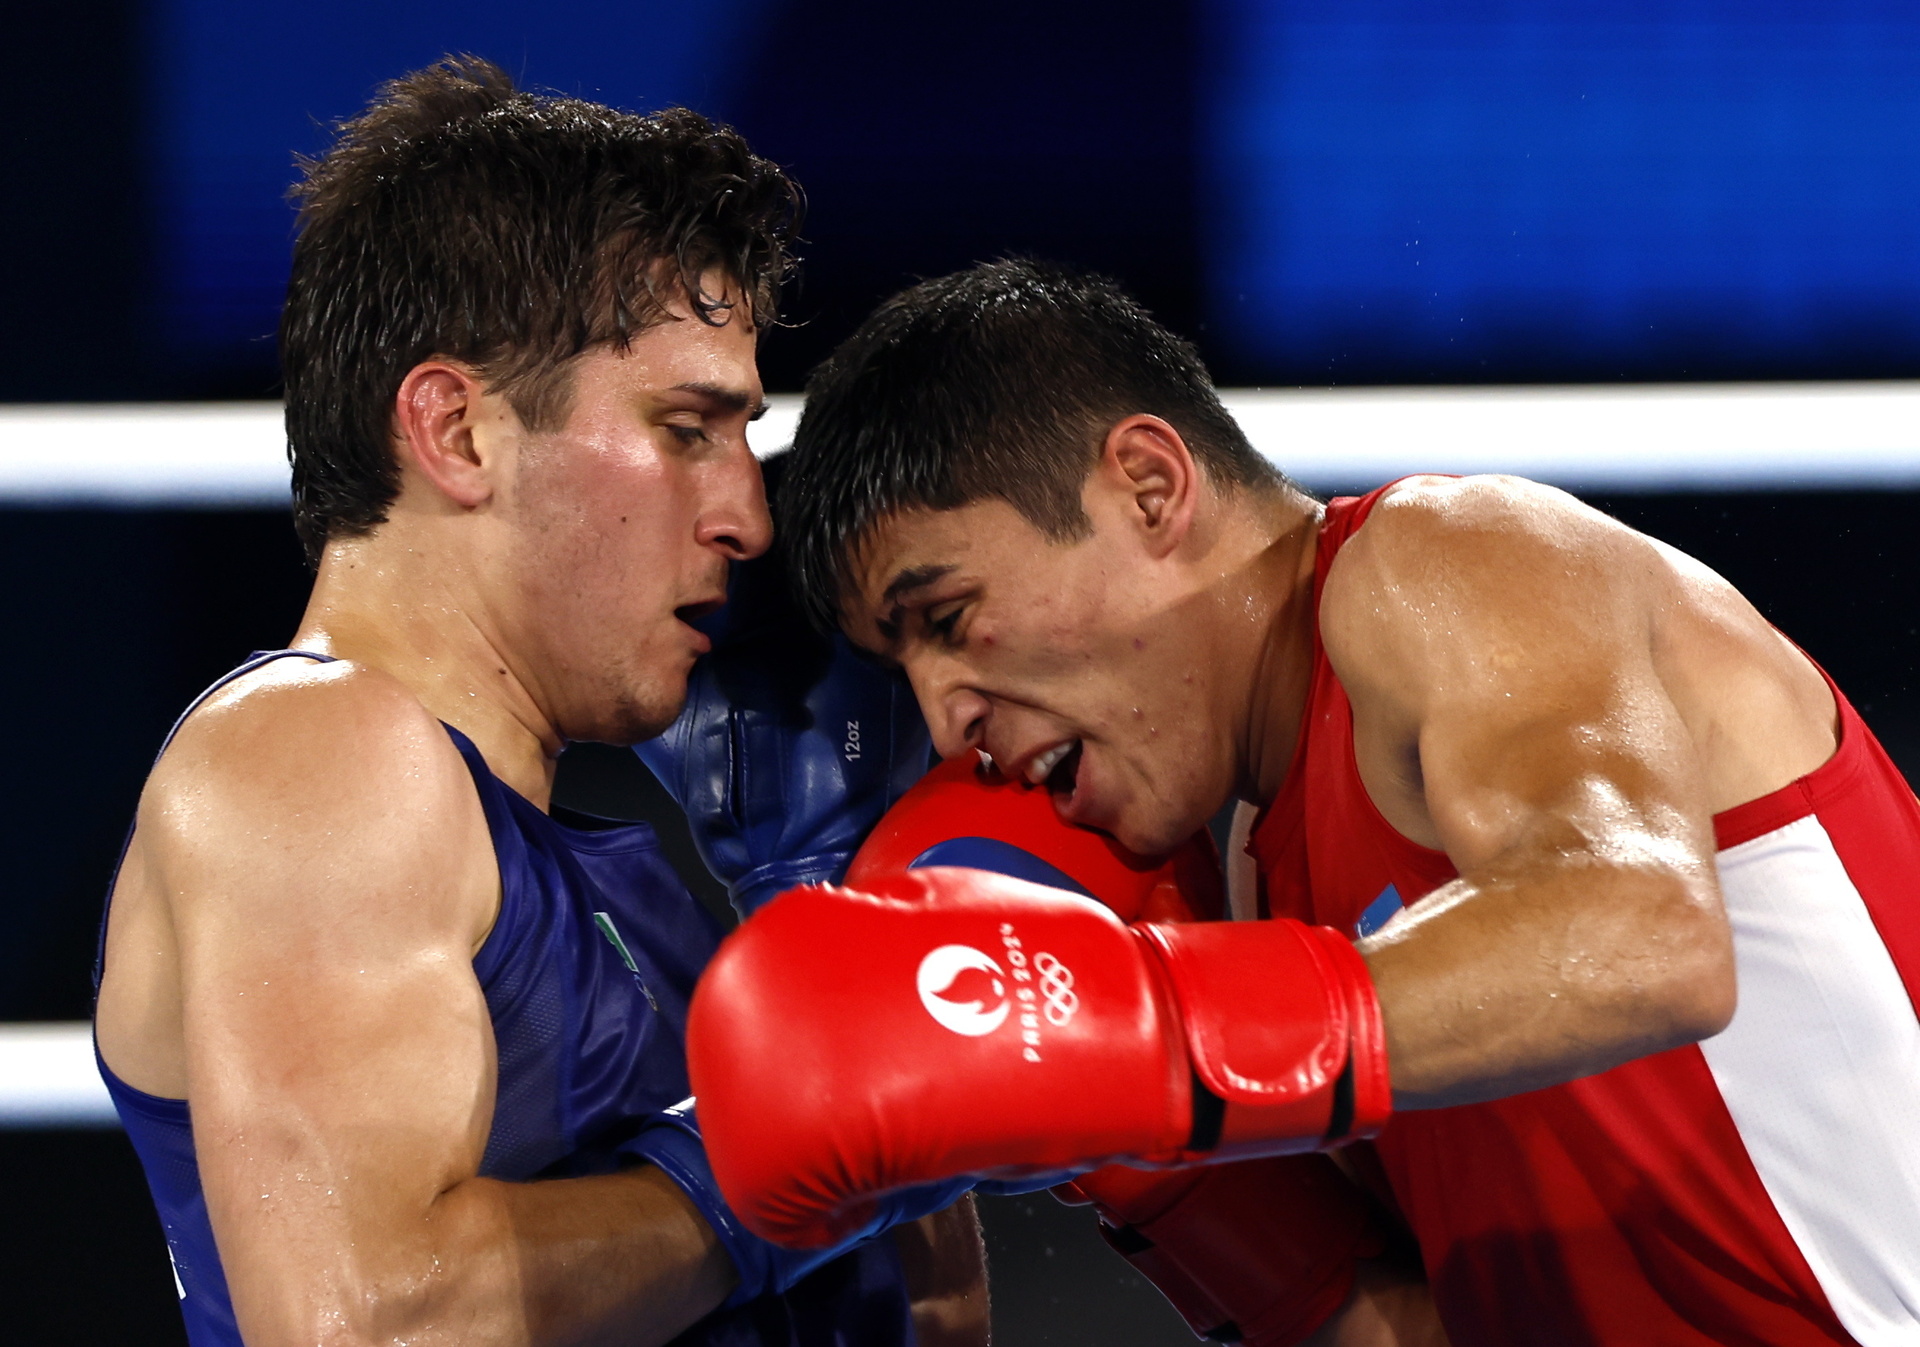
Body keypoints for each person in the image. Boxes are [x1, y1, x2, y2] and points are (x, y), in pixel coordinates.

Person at [685, 259, 1920, 1346]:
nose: (946, 716)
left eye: (948, 618)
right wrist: (1160, 1168)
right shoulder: (1245, 876)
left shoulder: (1448, 561)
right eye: (902, 667)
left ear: (1149, 486)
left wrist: (1141, 1035)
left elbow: (1645, 932)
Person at [91, 57, 980, 1347]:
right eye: (688, 429)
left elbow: (916, 1307)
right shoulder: (314, 754)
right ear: (457, 432)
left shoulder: (625, 882)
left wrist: (832, 914)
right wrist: (756, 1180)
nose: (748, 517)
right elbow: (368, 1328)